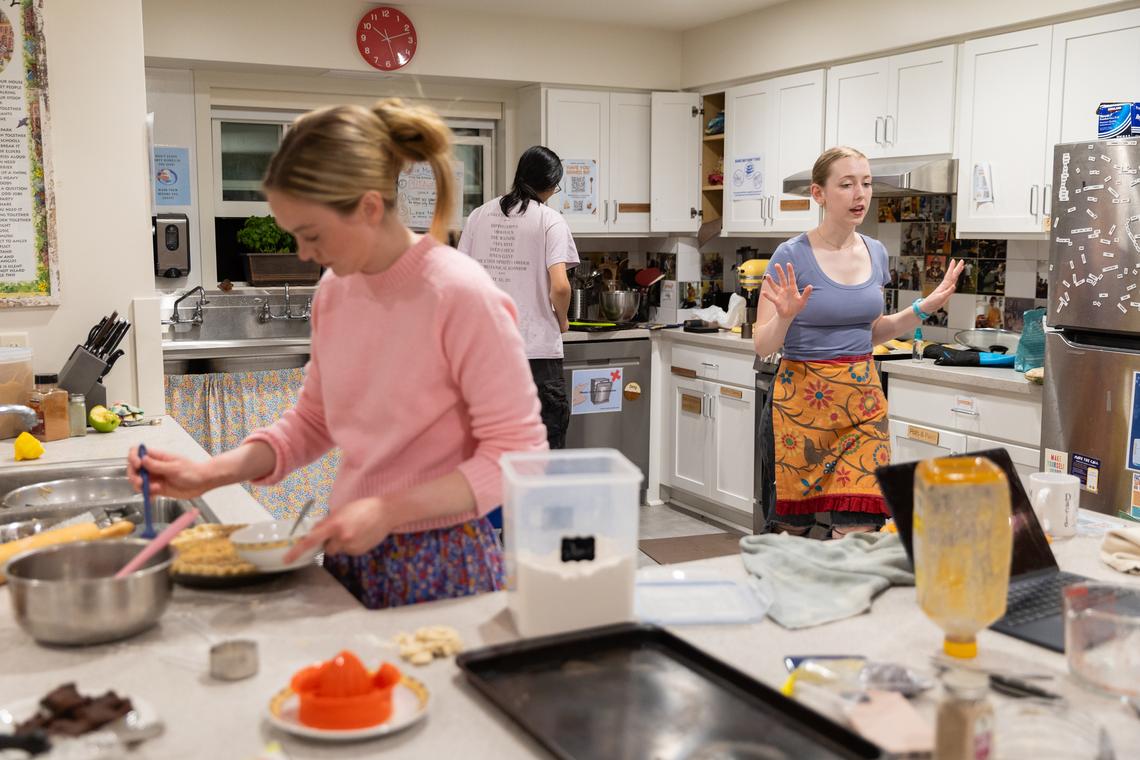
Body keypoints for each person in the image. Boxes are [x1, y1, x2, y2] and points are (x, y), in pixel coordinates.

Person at [127, 99, 548, 609]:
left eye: (312, 234)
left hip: (441, 560)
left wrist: (388, 511)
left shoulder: (459, 293)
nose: (304, 253)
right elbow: (312, 421)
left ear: (370, 207)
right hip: (351, 549)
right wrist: (209, 473)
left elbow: (519, 455)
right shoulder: (335, 291)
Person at [753, 146, 963, 538]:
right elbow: (763, 346)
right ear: (819, 194)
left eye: (865, 184)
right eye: (846, 184)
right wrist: (784, 315)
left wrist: (923, 307)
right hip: (801, 404)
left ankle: (849, 599)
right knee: (790, 533)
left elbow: (869, 333)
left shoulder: (876, 252)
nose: (860, 194)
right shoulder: (791, 255)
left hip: (862, 403)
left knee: (861, 529)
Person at [458, 146, 578, 449]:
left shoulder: (478, 216)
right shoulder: (550, 220)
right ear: (550, 184)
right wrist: (561, 319)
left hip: (487, 353)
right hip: (537, 353)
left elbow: (461, 280)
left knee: (490, 449)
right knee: (542, 449)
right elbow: (561, 286)